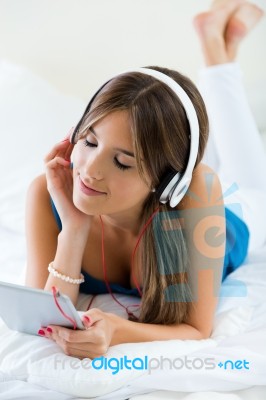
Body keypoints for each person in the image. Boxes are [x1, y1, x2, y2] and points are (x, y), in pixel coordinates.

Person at [24, 0, 265, 360]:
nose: (90, 169)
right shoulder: (49, 193)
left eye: (122, 163)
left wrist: (117, 330)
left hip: (239, 213)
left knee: (250, 177)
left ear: (168, 180)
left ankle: (217, 49)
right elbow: (41, 317)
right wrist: (74, 226)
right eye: (89, 141)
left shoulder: (198, 190)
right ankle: (217, 41)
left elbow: (197, 330)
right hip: (164, 169)